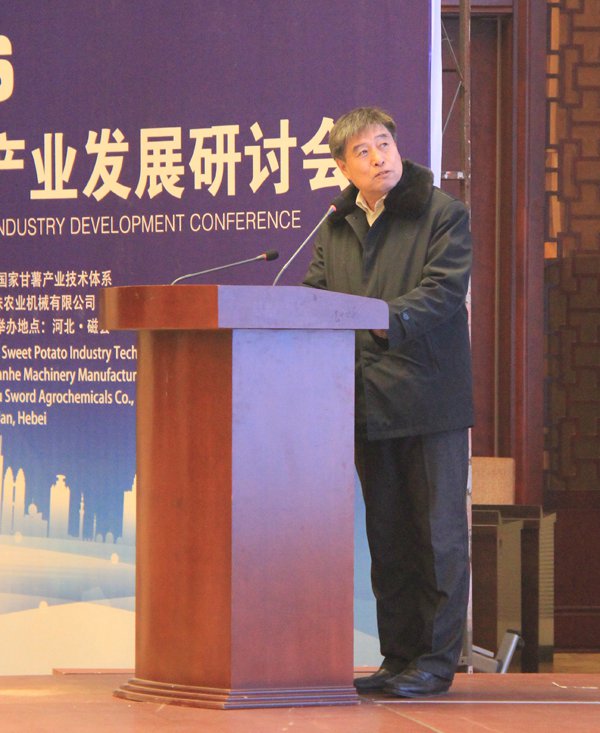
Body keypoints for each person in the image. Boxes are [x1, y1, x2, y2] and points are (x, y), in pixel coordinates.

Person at [303, 106, 473, 698]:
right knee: (390, 539)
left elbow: (442, 292)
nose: (379, 158)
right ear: (343, 166)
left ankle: (435, 662)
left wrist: (379, 318)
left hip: (429, 399)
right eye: (363, 151)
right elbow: (316, 296)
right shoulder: (336, 225)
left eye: (384, 144)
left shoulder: (442, 213)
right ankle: (399, 657)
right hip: (367, 400)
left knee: (437, 537)